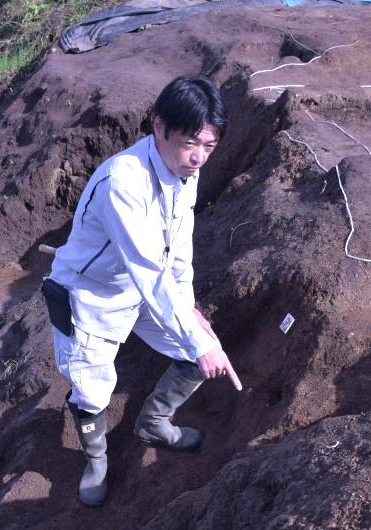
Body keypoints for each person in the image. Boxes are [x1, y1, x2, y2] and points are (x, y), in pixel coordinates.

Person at [41, 75, 241, 508]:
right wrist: (191, 330)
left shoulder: (184, 172)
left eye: (209, 146)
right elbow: (151, 272)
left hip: (144, 288)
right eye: (191, 142)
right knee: (93, 390)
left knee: (195, 354)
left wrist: (190, 313)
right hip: (89, 296)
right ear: (158, 127)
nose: (199, 157)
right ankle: (95, 461)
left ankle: (154, 422)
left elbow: (178, 253)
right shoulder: (124, 184)